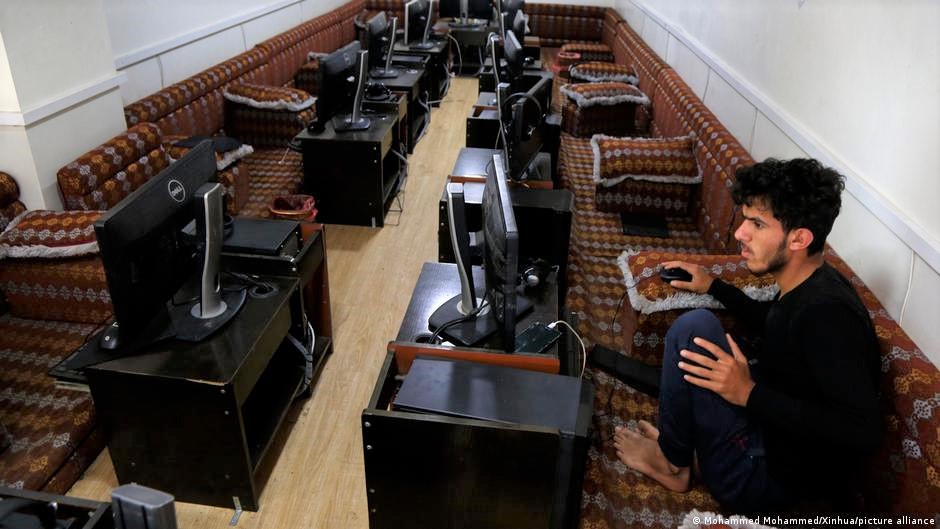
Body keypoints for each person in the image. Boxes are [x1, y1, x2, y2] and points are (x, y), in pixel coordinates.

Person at [612, 158, 884, 513]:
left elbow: (862, 431)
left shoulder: (827, 314)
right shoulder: (807, 282)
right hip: (770, 432)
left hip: (768, 481)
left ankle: (674, 463)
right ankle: (681, 449)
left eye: (757, 224)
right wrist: (715, 287)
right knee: (705, 334)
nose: (740, 233)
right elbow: (779, 326)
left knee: (695, 327)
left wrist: (749, 394)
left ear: (800, 238)